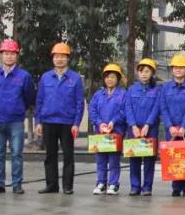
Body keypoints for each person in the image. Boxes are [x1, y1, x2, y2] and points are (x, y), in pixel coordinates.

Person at [35, 42, 85, 195]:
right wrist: (38, 122)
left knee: (68, 155)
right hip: (48, 122)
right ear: (53, 59)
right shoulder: (45, 77)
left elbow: (79, 103)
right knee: (50, 155)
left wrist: (76, 123)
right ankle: (52, 185)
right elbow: (40, 100)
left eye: (63, 56)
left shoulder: (75, 78)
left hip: (67, 123)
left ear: (68, 59)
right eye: (56, 56)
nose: (59, 59)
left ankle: (67, 186)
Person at [0, 38, 35, 195]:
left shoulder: (24, 76)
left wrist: (19, 109)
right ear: (1, 55)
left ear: (17, 55)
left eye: (12, 53)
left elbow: (29, 97)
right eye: (6, 53)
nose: (9, 56)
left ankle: (17, 184)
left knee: (16, 154)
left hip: (16, 121)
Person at [161, 54, 185, 197]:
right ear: (172, 69)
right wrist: (170, 126)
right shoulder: (165, 88)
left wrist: (183, 126)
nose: (178, 70)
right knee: (174, 158)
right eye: (175, 67)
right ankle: (176, 187)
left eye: (181, 67)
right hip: (171, 128)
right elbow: (163, 108)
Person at [125, 58, 162, 196]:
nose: (144, 74)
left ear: (152, 73)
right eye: (141, 71)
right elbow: (128, 108)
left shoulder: (157, 90)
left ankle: (147, 187)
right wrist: (133, 126)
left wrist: (148, 124)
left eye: (147, 71)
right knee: (134, 158)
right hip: (134, 128)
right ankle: (135, 186)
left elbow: (157, 108)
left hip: (150, 128)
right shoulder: (131, 89)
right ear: (137, 73)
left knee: (149, 159)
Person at [88, 64, 126, 195]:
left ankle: (113, 184)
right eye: (107, 77)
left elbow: (124, 111)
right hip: (100, 132)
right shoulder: (98, 95)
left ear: (118, 79)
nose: (110, 79)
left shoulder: (122, 94)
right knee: (101, 159)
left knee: (114, 160)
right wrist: (99, 124)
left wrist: (113, 122)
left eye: (113, 77)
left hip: (116, 131)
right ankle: (101, 183)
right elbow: (92, 110)